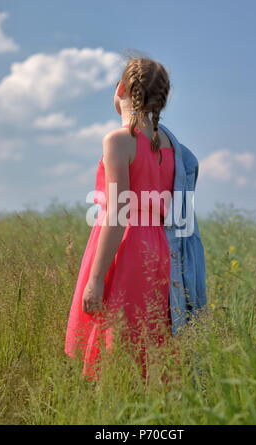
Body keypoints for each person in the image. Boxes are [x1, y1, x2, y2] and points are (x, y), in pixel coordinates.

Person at [64, 57, 174, 382]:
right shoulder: (171, 144)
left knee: (114, 345)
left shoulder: (118, 141)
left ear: (121, 88)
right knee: (148, 341)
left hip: (123, 246)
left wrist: (96, 279)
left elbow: (117, 213)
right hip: (158, 246)